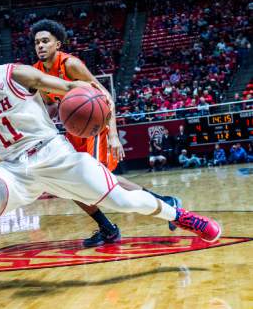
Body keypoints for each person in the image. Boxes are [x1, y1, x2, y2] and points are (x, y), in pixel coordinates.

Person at [0, 31, 221, 308]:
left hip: (55, 156)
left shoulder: (17, 75)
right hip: (15, 171)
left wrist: (95, 112)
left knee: (123, 202)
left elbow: (74, 88)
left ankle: (179, 216)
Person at [30, 19, 181, 246]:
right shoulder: (37, 72)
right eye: (36, 42)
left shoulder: (70, 65)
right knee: (68, 181)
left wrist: (112, 135)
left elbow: (105, 97)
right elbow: (52, 105)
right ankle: (111, 226)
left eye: (45, 41)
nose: (40, 46)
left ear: (57, 44)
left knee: (100, 181)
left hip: (94, 127)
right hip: (73, 130)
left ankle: (160, 204)